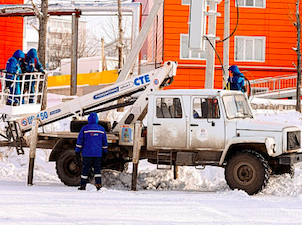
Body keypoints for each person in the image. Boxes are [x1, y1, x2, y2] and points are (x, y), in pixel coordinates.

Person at [75, 112, 108, 191]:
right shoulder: (101, 129)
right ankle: (98, 184)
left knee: (85, 169)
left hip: (87, 153)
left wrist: (77, 151)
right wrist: (105, 152)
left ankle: (83, 185)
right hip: (97, 154)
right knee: (97, 169)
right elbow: (104, 142)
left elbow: (80, 141)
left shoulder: (85, 128)